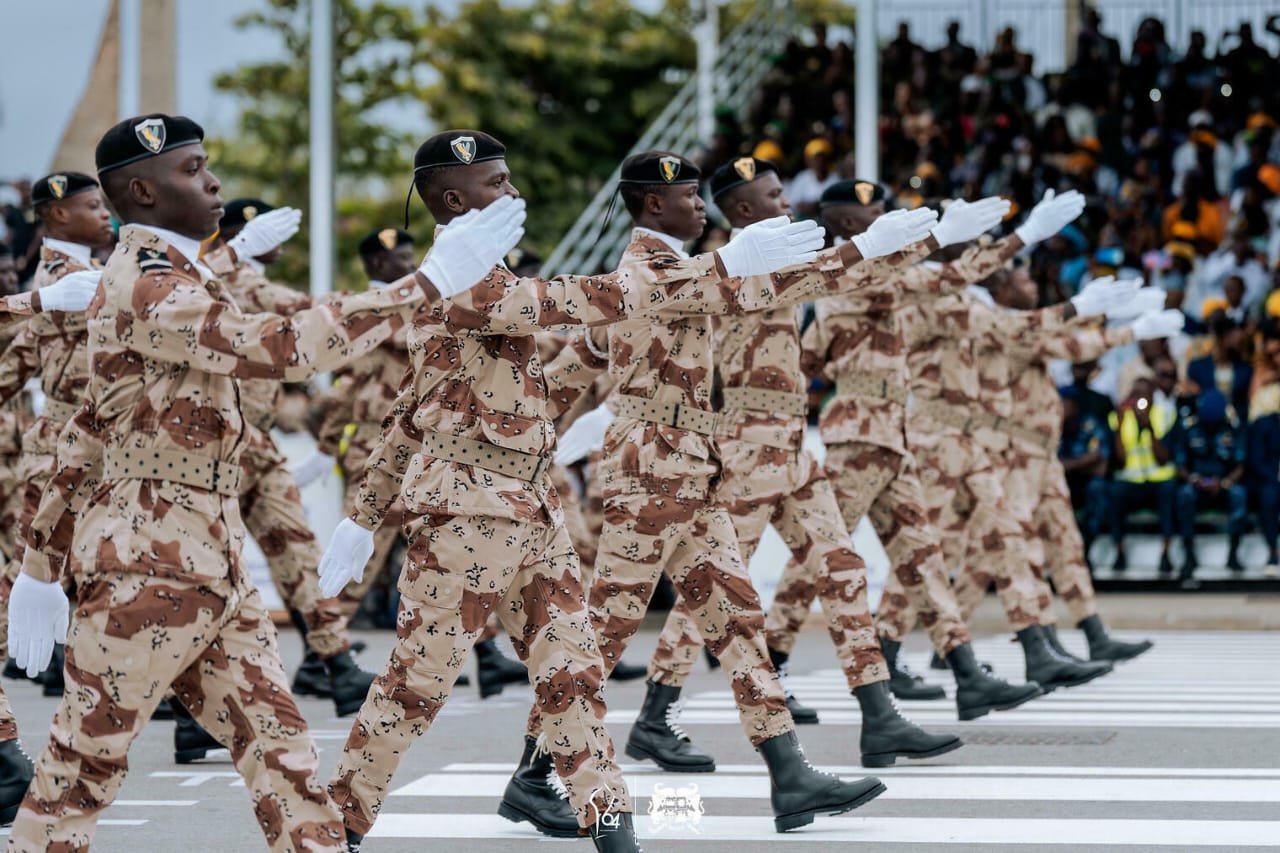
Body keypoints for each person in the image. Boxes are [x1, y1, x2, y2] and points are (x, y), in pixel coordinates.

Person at [5, 113, 518, 852]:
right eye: (192, 171)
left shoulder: (182, 273)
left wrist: (41, 565)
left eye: (207, 165)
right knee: (76, 777)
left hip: (209, 562)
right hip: (146, 566)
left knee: (286, 759)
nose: (213, 182)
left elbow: (88, 428)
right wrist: (431, 281)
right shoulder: (145, 284)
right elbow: (278, 347)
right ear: (142, 190)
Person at [315, 134, 834, 851]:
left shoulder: (479, 273)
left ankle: (613, 832)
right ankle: (333, 823)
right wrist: (720, 263)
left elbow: (413, 407)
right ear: (455, 200)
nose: (515, 192)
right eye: (497, 182)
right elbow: (578, 301)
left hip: (531, 506)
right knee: (415, 687)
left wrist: (364, 515)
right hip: (466, 511)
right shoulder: (467, 281)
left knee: (575, 677)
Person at [610, 159, 974, 767]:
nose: (788, 202)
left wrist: (891, 243)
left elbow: (834, 278)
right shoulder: (720, 268)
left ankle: (879, 714)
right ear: (745, 210)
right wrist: (899, 242)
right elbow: (824, 280)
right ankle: (655, 714)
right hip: (748, 442)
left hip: (791, 443)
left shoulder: (757, 255)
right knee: (714, 589)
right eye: (775, 195)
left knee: (841, 566)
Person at [753, 179, 1045, 717]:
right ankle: (771, 663)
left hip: (890, 435)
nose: (892, 219)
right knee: (818, 559)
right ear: (847, 225)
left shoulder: (874, 276)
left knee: (921, 556)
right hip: (860, 438)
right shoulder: (852, 277)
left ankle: (967, 674)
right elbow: (941, 281)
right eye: (879, 214)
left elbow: (810, 357)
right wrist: (1012, 240)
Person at [877, 191, 1127, 692]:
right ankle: (885, 653)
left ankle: (1037, 651)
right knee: (927, 552)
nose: (979, 252)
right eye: (970, 242)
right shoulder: (928, 299)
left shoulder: (959, 296)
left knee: (1007, 539)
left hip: (972, 443)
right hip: (936, 440)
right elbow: (1008, 328)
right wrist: (1080, 307)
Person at [0, 172, 115, 700]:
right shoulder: (65, 281)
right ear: (59, 213)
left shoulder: (74, 276)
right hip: (67, 445)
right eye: (93, 206)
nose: (105, 215)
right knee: (31, 571)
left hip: (75, 441)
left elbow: (19, 361)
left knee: (58, 567)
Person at [1108, 373, 1180, 573]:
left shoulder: (1165, 414)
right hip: (1131, 479)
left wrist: (1148, 427)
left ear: (1153, 395)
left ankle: (1166, 553)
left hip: (1158, 478)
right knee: (1115, 493)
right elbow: (1119, 460)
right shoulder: (1119, 416)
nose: (1139, 399)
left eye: (1144, 394)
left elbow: (1164, 458)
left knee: (1169, 492)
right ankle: (1118, 552)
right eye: (1135, 394)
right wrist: (1120, 426)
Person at [1175, 388, 1248, 582]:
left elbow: (1240, 465)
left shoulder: (1232, 428)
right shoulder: (1190, 427)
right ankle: (1189, 555)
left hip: (1223, 483)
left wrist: (1224, 483)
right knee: (1184, 495)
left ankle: (1234, 553)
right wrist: (1194, 479)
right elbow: (1180, 464)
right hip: (1196, 482)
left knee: (1239, 494)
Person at [1058, 385, 1112, 559]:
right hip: (1060, 483)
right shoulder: (1049, 426)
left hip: (1084, 482)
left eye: (1066, 403)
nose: (1061, 407)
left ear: (1075, 405)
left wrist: (1065, 465)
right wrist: (1082, 462)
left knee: (1098, 488)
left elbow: (1100, 465)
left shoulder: (1091, 425)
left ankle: (1086, 545)